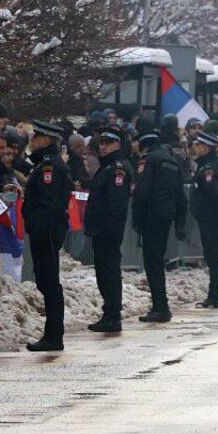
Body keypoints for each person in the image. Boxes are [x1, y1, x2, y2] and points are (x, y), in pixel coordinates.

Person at [21, 121, 72, 350]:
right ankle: (52, 334)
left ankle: (54, 336)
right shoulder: (44, 164)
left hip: (47, 230)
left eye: (36, 137)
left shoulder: (49, 167)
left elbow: (48, 202)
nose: (32, 140)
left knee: (49, 282)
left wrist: (38, 225)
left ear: (47, 140)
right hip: (45, 229)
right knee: (46, 281)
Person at [130, 132, 185, 323]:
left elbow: (142, 190)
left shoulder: (149, 160)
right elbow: (180, 195)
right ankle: (160, 306)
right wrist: (180, 222)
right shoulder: (172, 161)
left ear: (143, 144)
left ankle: (160, 307)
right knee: (158, 261)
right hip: (166, 216)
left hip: (151, 215)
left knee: (152, 263)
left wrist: (136, 217)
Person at [85, 128, 132, 333]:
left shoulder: (117, 169)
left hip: (108, 229)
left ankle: (112, 315)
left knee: (109, 271)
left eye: (108, 143)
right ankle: (109, 313)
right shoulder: (107, 167)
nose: (103, 147)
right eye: (101, 143)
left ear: (118, 145)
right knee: (103, 271)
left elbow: (116, 203)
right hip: (101, 228)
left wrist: (110, 228)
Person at [189, 133, 218, 309]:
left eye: (198, 144)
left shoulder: (209, 167)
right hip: (209, 217)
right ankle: (215, 295)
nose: (195, 147)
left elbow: (214, 193)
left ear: (206, 147)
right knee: (213, 256)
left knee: (213, 257)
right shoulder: (207, 164)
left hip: (211, 218)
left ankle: (215, 295)